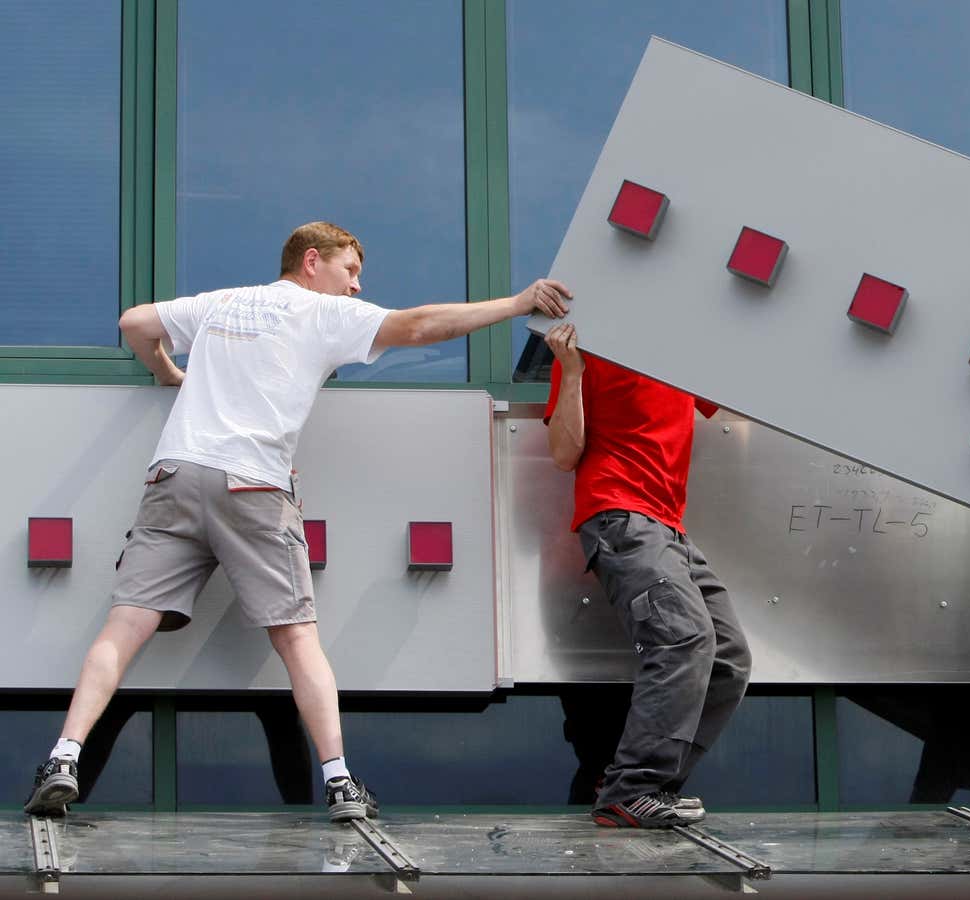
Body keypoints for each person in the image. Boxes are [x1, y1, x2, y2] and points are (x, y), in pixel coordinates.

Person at [23, 221, 573, 822]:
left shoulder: (222, 303)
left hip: (175, 475)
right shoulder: (320, 311)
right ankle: (339, 782)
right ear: (313, 261)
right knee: (297, 638)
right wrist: (519, 303)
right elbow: (419, 325)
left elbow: (134, 324)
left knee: (124, 626)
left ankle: (64, 756)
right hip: (254, 483)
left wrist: (163, 371)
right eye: (351, 270)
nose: (357, 287)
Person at [542, 322, 751, 828]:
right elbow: (564, 454)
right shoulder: (585, 346)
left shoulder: (681, 346)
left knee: (727, 657)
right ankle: (629, 788)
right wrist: (571, 372)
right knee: (682, 639)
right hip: (620, 516)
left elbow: (738, 404)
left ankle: (650, 785)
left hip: (669, 527)